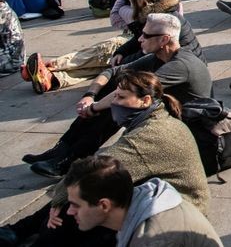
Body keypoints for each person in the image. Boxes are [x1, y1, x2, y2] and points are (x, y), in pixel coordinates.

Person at [3, 73, 213, 247]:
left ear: (145, 100)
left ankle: (25, 231)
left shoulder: (149, 135)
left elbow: (91, 173)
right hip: (169, 198)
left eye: (121, 98)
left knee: (73, 209)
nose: (114, 103)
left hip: (175, 212)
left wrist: (58, 202)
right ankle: (23, 230)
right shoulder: (156, 117)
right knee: (75, 205)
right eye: (115, 97)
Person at [23, 14, 211, 178]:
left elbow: (132, 92)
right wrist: (90, 95)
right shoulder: (159, 57)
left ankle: (71, 160)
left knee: (122, 103)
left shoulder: (179, 64)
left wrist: (94, 107)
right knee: (115, 87)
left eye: (146, 36)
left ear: (164, 40)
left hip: (192, 127)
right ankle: (62, 149)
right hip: (171, 114)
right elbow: (112, 72)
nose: (139, 40)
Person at [64, 156, 223, 247]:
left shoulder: (153, 240)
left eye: (75, 205)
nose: (69, 211)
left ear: (104, 205)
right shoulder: (144, 203)